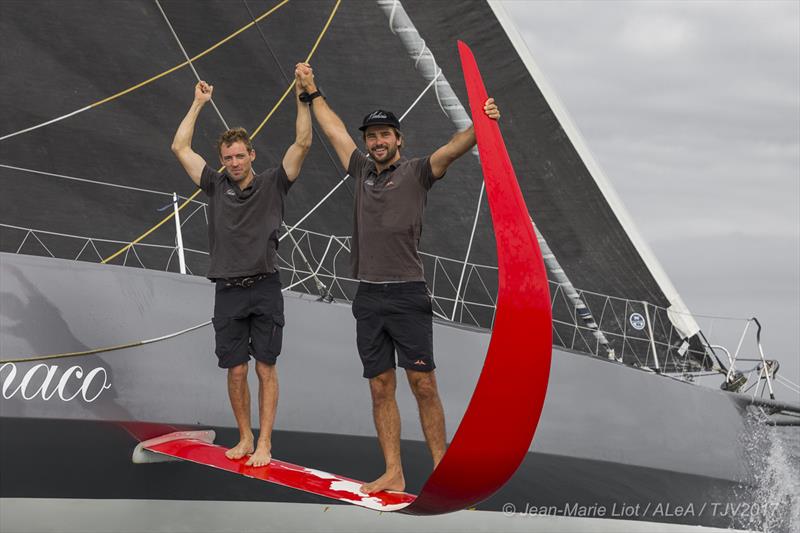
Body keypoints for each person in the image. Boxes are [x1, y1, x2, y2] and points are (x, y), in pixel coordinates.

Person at [295, 62, 499, 493]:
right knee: (380, 386)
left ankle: (444, 469)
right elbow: (333, 131)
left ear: (398, 140)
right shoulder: (361, 170)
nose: (377, 141)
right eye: (371, 136)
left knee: (423, 383)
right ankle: (394, 471)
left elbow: (452, 149)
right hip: (368, 295)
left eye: (384, 134)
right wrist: (312, 92)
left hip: (407, 293)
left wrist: (482, 123)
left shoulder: (418, 171)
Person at [170, 77, 311, 467]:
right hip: (228, 291)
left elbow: (302, 144)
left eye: (238, 156)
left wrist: (303, 97)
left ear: (251, 154)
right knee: (235, 370)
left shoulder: (273, 184)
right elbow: (180, 146)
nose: (233, 163)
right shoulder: (215, 185)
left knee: (266, 367)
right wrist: (198, 103)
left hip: (264, 287)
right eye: (227, 158)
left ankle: (265, 442)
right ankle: (245, 438)